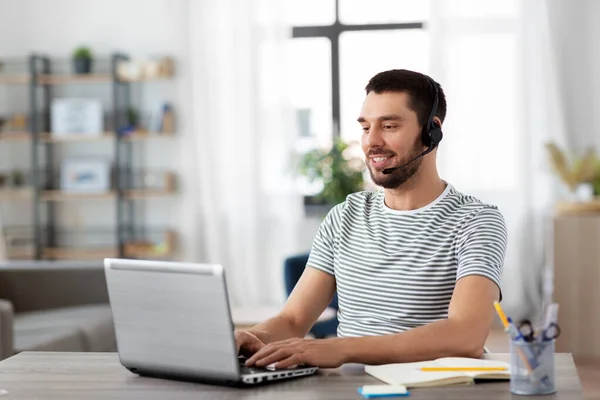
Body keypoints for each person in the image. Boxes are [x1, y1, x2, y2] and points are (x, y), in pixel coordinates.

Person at [237, 69, 507, 369]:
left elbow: (465, 336)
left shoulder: (476, 221)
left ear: (432, 131)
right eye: (366, 127)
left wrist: (343, 349)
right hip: (348, 391)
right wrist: (252, 336)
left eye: (389, 126)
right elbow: (293, 319)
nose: (371, 141)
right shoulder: (344, 216)